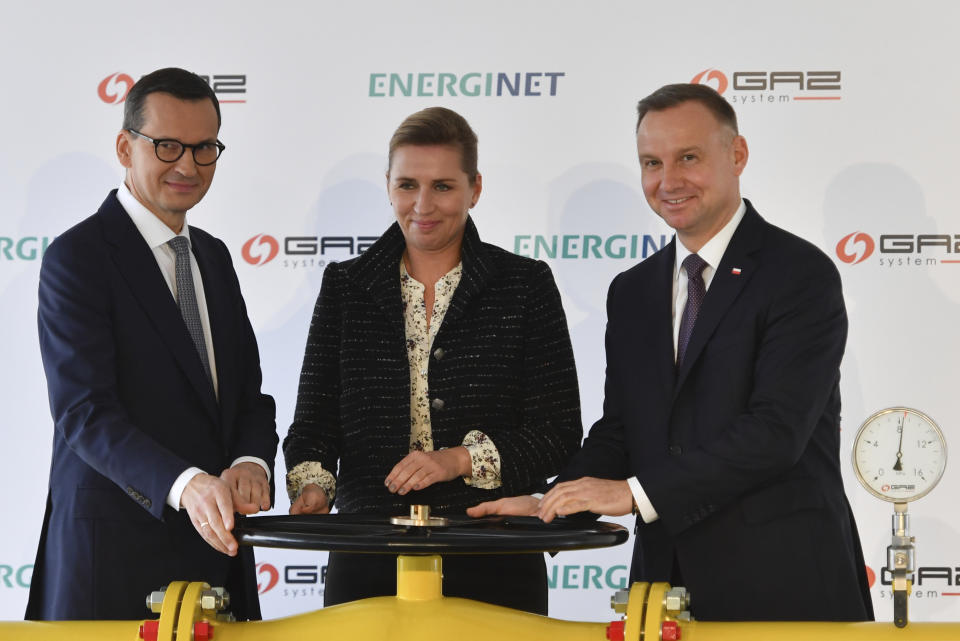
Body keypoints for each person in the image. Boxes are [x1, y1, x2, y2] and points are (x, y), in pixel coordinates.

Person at [470, 84, 875, 622]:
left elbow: (776, 433)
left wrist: (634, 493)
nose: (668, 181)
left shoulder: (799, 274)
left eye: (688, 158)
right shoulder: (632, 290)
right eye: (651, 163)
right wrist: (553, 501)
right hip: (665, 588)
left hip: (786, 584)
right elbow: (622, 430)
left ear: (737, 155)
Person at [283, 106, 581, 614]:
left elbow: (557, 432)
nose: (423, 204)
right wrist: (313, 484)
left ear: (475, 188)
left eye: (443, 186)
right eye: (407, 185)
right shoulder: (345, 286)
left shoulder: (525, 285)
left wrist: (458, 459)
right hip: (367, 555)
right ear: (388, 185)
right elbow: (314, 424)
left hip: (495, 551)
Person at [26, 68, 278, 621]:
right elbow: (84, 413)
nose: (187, 165)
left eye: (204, 148)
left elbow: (248, 397)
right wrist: (187, 486)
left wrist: (250, 460)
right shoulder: (79, 258)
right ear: (125, 146)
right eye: (167, 146)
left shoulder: (213, 258)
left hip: (217, 563)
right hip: (113, 566)